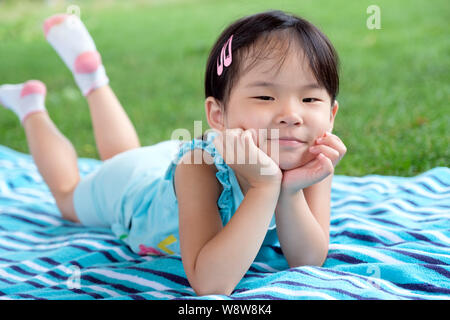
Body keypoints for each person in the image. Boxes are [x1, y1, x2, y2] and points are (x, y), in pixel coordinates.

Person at [0, 10, 346, 296]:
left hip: (153, 163)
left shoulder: (310, 160)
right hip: (131, 191)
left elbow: (306, 260)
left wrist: (289, 190)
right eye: (265, 97)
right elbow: (211, 283)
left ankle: (92, 76)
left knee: (123, 153)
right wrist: (265, 186)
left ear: (330, 114)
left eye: (310, 98)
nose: (290, 114)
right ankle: (31, 108)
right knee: (69, 197)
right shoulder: (200, 168)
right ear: (218, 115)